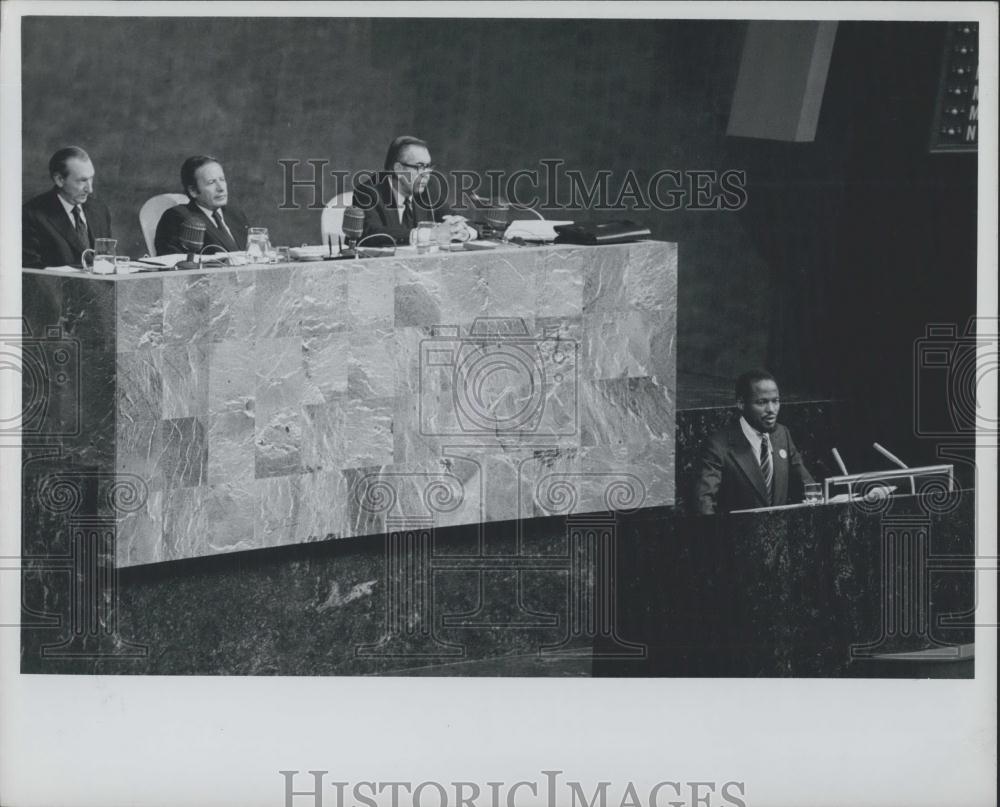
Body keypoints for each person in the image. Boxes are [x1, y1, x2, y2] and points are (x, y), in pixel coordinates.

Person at [695, 369, 815, 515]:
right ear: (741, 403)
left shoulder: (782, 434)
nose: (771, 409)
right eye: (762, 402)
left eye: (775, 401)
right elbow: (704, 505)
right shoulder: (718, 445)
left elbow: (808, 487)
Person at [351, 136, 476, 246]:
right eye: (420, 167)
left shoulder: (426, 191)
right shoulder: (368, 192)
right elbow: (370, 234)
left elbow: (458, 218)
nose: (426, 174)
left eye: (428, 167)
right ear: (398, 169)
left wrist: (462, 231)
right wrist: (430, 234)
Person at [22, 146, 113, 268]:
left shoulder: (99, 210)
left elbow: (107, 262)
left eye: (91, 178)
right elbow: (31, 273)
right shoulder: (31, 215)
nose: (90, 189)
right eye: (82, 180)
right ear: (59, 180)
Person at [154, 156, 250, 255]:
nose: (221, 188)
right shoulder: (178, 217)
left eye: (222, 179)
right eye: (211, 182)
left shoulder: (235, 214)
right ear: (193, 191)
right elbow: (175, 262)